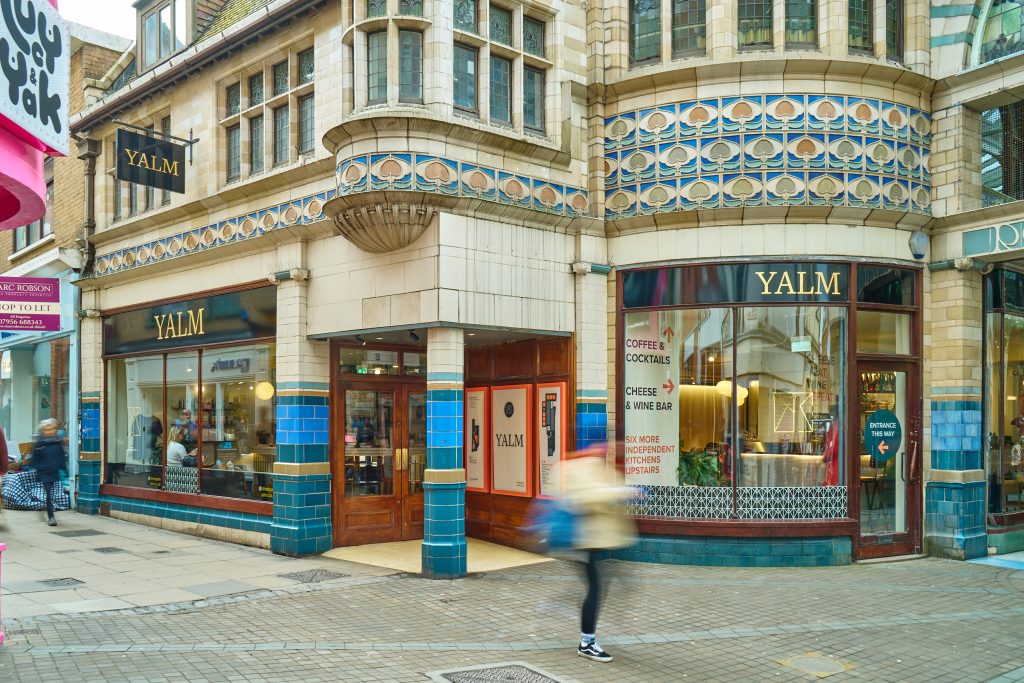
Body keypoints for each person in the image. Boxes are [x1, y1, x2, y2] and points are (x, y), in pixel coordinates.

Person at [560, 448, 637, 663]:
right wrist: (619, 493)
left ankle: (580, 626)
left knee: (597, 587)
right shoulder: (580, 469)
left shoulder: (594, 468)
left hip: (591, 542)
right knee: (595, 589)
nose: (604, 452)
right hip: (581, 542)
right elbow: (589, 498)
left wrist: (624, 492)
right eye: (601, 449)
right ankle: (587, 643)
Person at [28, 418, 66, 526]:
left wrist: (63, 468)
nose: (50, 432)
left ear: (55, 430)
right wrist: (35, 467)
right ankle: (51, 517)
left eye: (52, 429)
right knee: (49, 494)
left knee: (51, 494)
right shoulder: (39, 443)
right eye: (47, 430)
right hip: (44, 472)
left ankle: (45, 508)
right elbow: (34, 457)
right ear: (43, 431)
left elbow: (61, 456)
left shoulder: (57, 442)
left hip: (54, 471)